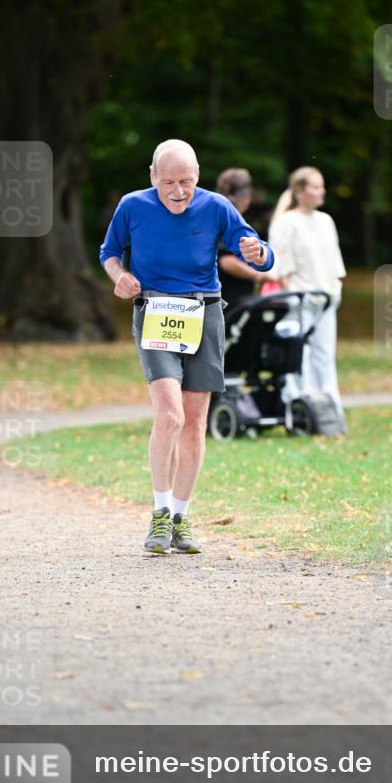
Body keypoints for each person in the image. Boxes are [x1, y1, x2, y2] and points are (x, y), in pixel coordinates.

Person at [99, 139, 274, 555]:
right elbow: (108, 253)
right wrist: (119, 276)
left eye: (188, 182)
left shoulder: (216, 206)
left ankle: (181, 517)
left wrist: (260, 252)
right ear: (153, 177)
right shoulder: (132, 206)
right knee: (170, 415)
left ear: (198, 177)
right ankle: (159, 514)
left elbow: (260, 256)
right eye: (170, 182)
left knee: (195, 422)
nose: (179, 191)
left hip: (205, 313)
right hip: (155, 311)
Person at [267, 166, 346, 429]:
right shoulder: (287, 222)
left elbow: (334, 262)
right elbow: (279, 265)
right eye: (314, 186)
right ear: (299, 191)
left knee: (324, 355)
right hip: (299, 301)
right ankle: (303, 410)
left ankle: (331, 412)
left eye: (322, 186)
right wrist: (292, 291)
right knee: (299, 356)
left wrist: (334, 290)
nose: (320, 191)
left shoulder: (326, 221)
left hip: (326, 299)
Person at [215, 168, 262, 308]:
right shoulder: (229, 218)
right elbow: (226, 261)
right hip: (229, 296)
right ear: (246, 196)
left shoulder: (215, 213)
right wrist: (259, 275)